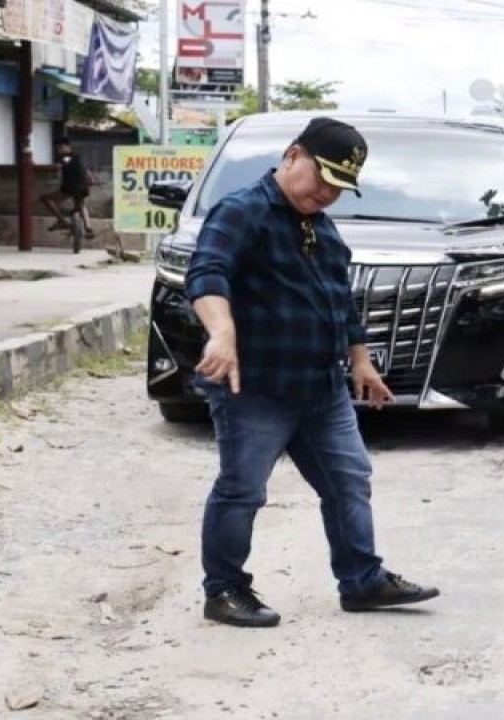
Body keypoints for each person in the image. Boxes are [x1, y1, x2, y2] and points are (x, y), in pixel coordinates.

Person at [184, 117, 440, 628]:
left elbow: (339, 301)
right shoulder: (241, 212)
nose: (327, 193)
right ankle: (225, 591)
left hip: (323, 390)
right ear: (292, 154)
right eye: (321, 178)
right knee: (243, 489)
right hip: (255, 388)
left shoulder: (322, 229)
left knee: (350, 482)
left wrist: (361, 360)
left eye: (339, 188)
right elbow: (207, 272)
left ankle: (362, 581)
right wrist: (221, 330)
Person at [39, 136, 95, 239]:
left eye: (58, 148)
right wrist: (91, 179)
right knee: (81, 204)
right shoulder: (79, 157)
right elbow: (87, 172)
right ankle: (88, 227)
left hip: (69, 188)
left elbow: (61, 165)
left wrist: (40, 166)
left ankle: (61, 221)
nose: (58, 150)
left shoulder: (66, 157)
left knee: (45, 199)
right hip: (83, 188)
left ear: (64, 146)